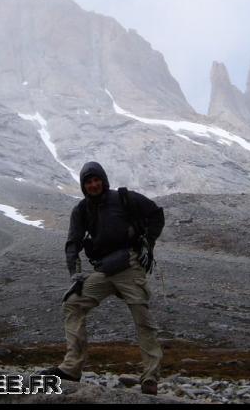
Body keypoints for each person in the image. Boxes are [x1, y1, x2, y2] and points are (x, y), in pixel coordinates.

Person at [40, 161, 165, 395]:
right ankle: (71, 368)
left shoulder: (124, 198)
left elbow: (156, 213)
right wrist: (75, 275)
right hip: (104, 270)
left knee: (143, 319)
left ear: (103, 180)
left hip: (129, 265)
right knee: (73, 303)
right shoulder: (81, 211)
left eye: (96, 180)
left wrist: (148, 243)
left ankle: (150, 377)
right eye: (88, 182)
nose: (93, 185)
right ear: (83, 186)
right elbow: (72, 244)